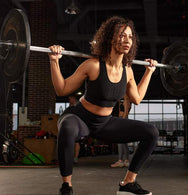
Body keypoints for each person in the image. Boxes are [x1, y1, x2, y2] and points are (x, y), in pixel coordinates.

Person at [49, 16, 158, 195]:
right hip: (79, 118)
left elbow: (137, 98)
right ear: (109, 38)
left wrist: (149, 72)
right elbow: (62, 89)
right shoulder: (92, 65)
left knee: (151, 132)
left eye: (130, 37)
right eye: (122, 35)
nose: (127, 40)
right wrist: (54, 61)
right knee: (67, 127)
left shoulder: (128, 70)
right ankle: (66, 186)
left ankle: (128, 183)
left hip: (105, 123)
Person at [110, 95, 131, 168]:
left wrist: (122, 122)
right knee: (123, 143)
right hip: (121, 119)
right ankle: (125, 161)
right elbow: (120, 111)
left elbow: (126, 113)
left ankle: (121, 160)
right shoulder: (122, 101)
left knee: (120, 142)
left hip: (123, 120)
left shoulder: (127, 101)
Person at [68, 93, 81, 164]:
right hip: (71, 124)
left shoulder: (78, 106)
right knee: (71, 141)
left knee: (76, 142)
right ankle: (71, 157)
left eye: (70, 99)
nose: (69, 101)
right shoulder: (71, 106)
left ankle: (75, 158)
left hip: (77, 125)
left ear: (73, 98)